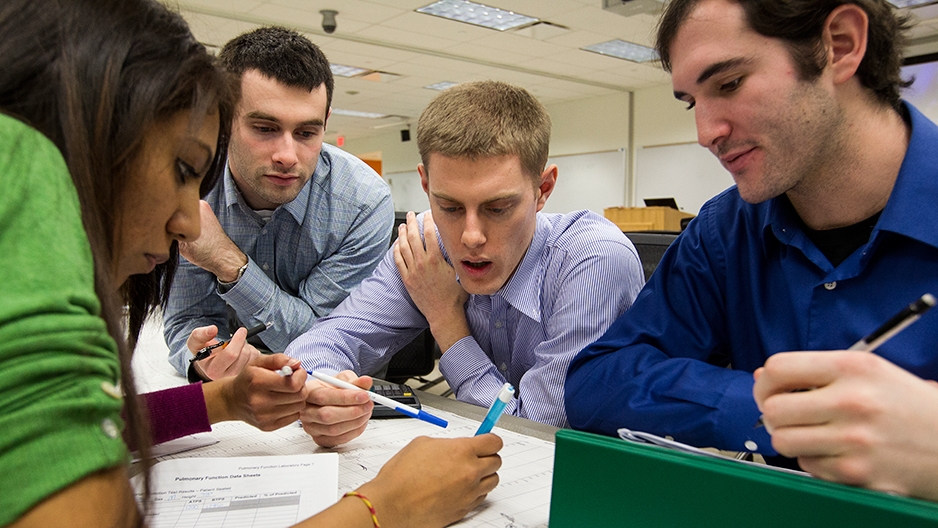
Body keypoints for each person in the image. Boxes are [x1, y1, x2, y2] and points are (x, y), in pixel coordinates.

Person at [0, 1, 501, 526]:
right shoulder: (28, 220)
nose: (191, 226)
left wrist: (223, 400)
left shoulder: (359, 198)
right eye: (182, 167)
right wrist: (384, 508)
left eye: (307, 132)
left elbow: (93, 425)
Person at [565, 0, 938, 499]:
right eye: (692, 102)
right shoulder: (725, 231)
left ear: (840, 46)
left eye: (729, 84)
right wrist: (774, 408)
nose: (705, 134)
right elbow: (598, 383)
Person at [286, 80, 645, 446]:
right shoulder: (429, 248)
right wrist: (324, 391)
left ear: (543, 189)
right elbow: (319, 346)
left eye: (498, 208)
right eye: (450, 207)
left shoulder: (592, 261)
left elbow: (534, 433)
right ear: (426, 186)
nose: (470, 237)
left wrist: (446, 322)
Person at [163, 26, 394, 383]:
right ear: (223, 119)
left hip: (335, 388)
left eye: (306, 133)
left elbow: (323, 338)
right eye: (265, 128)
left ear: (325, 123)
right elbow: (187, 320)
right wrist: (207, 357)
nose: (288, 155)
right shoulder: (192, 186)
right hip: (233, 395)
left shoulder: (362, 203)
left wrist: (229, 262)